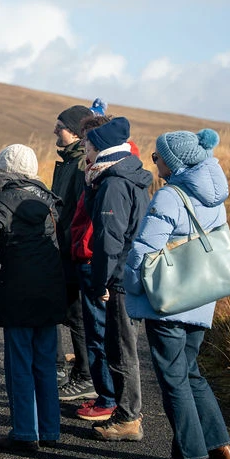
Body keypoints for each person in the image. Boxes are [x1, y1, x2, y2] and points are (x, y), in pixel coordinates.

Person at [125, 129, 230, 459]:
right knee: (191, 372)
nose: (153, 161)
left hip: (170, 301)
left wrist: (130, 287)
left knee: (174, 378)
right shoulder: (213, 196)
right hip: (202, 297)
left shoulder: (169, 197)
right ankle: (222, 448)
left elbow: (144, 251)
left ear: (173, 163)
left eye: (157, 157)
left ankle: (188, 458)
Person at [0, 145, 67, 454]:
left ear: (5, 170)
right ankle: (50, 428)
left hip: (18, 287)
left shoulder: (2, 198)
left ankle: (26, 432)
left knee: (19, 363)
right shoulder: (49, 200)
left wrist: (4, 256)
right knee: (45, 360)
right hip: (51, 286)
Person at [83, 117, 153, 441]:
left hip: (120, 278)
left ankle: (128, 418)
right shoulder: (131, 177)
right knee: (123, 345)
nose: (85, 146)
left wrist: (101, 284)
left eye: (89, 143)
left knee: (122, 348)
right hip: (130, 273)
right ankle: (126, 413)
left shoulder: (113, 184)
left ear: (101, 149)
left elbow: (108, 240)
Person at [68, 113, 118, 422]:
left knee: (100, 333)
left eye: (86, 140)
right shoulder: (95, 172)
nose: (83, 145)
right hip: (88, 259)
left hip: (94, 262)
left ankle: (109, 399)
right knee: (96, 331)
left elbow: (107, 230)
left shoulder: (107, 177)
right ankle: (105, 394)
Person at [52, 105, 97, 403]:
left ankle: (85, 376)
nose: (55, 131)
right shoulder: (68, 162)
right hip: (66, 247)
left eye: (60, 127)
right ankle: (77, 372)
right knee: (69, 311)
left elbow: (77, 212)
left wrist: (70, 245)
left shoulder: (80, 165)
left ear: (74, 130)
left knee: (78, 314)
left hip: (74, 249)